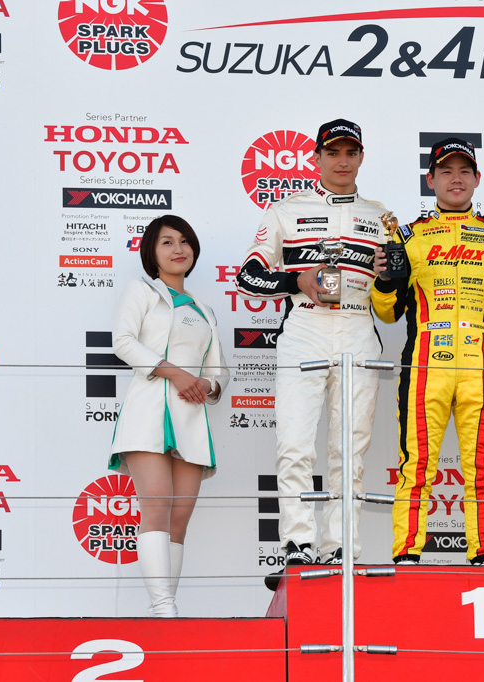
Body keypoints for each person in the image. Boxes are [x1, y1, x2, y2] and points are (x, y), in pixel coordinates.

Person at [372, 137, 484, 566]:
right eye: (446, 171)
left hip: (482, 367)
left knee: (483, 467)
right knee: (416, 465)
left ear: (477, 178)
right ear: (430, 180)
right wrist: (386, 281)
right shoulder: (407, 236)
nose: (456, 178)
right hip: (424, 366)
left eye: (464, 170)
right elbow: (387, 313)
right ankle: (407, 554)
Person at [236, 119, 388, 578]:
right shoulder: (286, 211)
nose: (342, 161)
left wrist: (391, 275)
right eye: (333, 152)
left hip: (359, 326)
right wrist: (296, 280)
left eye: (350, 152)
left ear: (361, 157)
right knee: (295, 443)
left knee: (350, 448)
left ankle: (340, 547)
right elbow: (248, 277)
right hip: (304, 326)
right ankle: (298, 543)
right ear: (316, 157)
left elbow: (395, 294)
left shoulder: (381, 216)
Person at [110, 215, 228, 617]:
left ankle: (164, 609)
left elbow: (219, 372)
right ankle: (165, 609)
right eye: (167, 242)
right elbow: (123, 341)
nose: (179, 249)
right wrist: (176, 373)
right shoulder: (141, 291)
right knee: (156, 507)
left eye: (184, 241)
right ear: (152, 252)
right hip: (148, 412)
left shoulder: (205, 310)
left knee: (179, 520)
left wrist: (206, 386)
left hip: (191, 417)